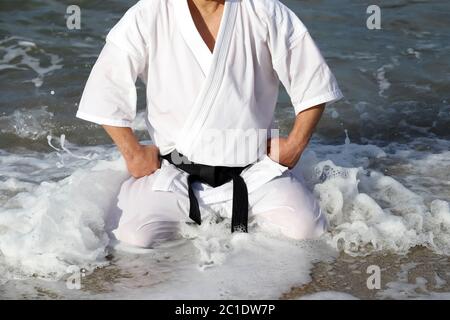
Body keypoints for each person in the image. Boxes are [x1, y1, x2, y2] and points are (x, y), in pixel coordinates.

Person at [76, 0, 343, 248]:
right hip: (175, 172)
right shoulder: (150, 12)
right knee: (132, 239)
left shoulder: (264, 10)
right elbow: (104, 88)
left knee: (307, 233)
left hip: (255, 173)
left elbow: (314, 84)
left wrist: (295, 146)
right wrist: (133, 153)